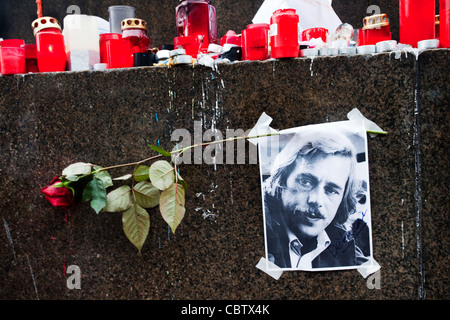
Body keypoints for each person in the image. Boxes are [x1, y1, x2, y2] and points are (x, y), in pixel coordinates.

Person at [262, 128, 369, 270]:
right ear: (281, 180)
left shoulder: (344, 247)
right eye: (306, 182)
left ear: (342, 200)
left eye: (331, 190)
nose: (317, 200)